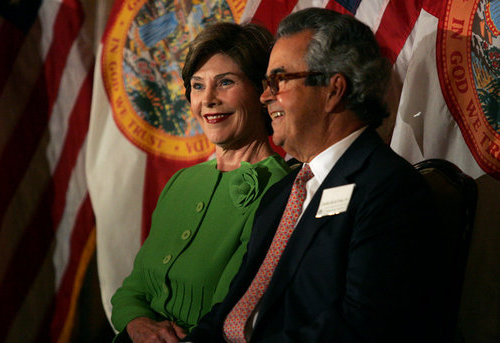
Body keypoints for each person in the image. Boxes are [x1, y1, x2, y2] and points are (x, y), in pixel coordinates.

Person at [183, 8, 443, 343]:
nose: (265, 97)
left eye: (278, 80)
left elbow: (360, 328)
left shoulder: (388, 191)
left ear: (334, 90)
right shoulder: (281, 196)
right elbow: (231, 310)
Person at [110, 22, 291, 343]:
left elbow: (231, 313)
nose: (208, 99)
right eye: (197, 85)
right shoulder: (183, 181)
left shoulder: (281, 190)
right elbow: (131, 289)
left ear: (261, 91)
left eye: (225, 82)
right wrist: (138, 324)